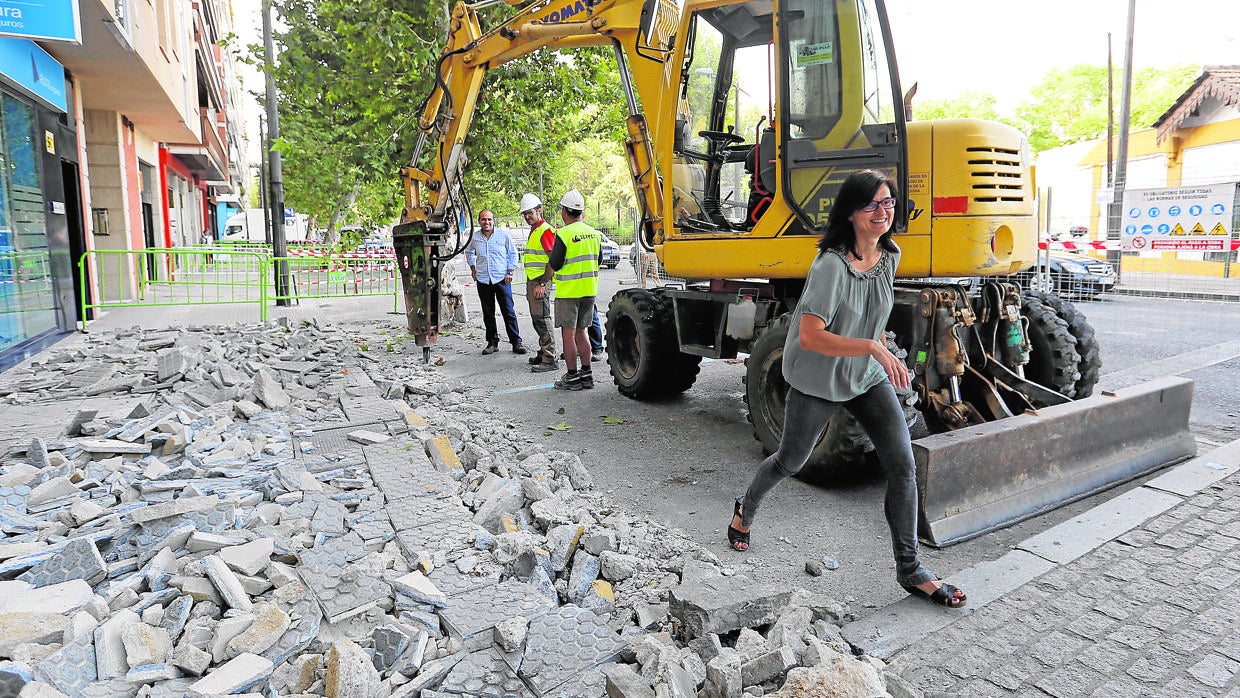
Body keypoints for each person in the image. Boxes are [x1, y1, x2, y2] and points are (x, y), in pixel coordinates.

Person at [726, 169, 967, 609]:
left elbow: (870, 314)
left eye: (889, 202)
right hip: (818, 378)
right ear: (852, 214)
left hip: (865, 376)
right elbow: (812, 335)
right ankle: (746, 510)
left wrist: (882, 355)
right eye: (872, 204)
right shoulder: (831, 266)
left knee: (903, 466)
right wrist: (874, 347)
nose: (883, 212)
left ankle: (911, 570)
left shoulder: (890, 254)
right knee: (789, 461)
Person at [547, 190, 602, 391]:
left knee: (568, 336)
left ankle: (571, 377)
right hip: (589, 291)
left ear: (565, 211)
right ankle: (586, 375)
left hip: (569, 292)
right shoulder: (594, 234)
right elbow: (599, 260)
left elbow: (555, 263)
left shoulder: (563, 233)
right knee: (583, 332)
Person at [465, 210, 526, 355]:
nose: (487, 222)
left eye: (489, 219)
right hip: (483, 279)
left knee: (508, 311)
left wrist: (510, 271)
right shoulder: (475, 237)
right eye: (483, 219)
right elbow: (468, 252)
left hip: (501, 279)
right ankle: (492, 343)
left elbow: (512, 253)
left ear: (493, 221)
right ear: (479, 221)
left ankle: (516, 342)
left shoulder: (503, 235)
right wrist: (473, 268)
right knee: (488, 313)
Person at [519, 194, 558, 372]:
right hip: (534, 280)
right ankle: (544, 352)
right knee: (537, 319)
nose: (527, 216)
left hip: (540, 281)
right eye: (525, 214)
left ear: (539, 211)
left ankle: (549, 358)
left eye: (530, 213)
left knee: (542, 318)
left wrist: (542, 284)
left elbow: (553, 261)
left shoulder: (545, 230)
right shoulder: (536, 229)